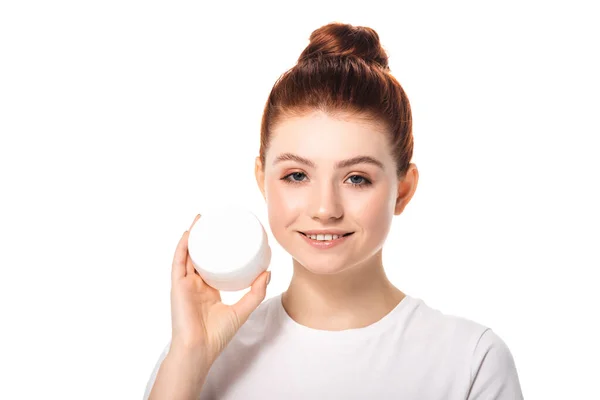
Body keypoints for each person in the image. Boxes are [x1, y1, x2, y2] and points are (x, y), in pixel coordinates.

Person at [143, 22, 524, 400]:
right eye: (296, 175)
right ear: (263, 180)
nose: (325, 209)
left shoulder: (470, 361)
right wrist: (190, 356)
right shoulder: (199, 358)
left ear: (403, 190)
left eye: (356, 178)